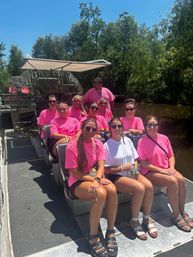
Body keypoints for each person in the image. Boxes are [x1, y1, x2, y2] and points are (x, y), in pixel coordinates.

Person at [65, 118, 118, 257]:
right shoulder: (73, 146)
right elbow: (74, 172)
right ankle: (93, 236)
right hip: (76, 181)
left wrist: (98, 178)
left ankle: (110, 231)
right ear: (82, 128)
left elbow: (101, 166)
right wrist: (95, 180)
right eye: (87, 128)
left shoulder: (98, 144)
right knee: (99, 193)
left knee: (112, 190)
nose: (90, 131)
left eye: (93, 129)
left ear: (97, 131)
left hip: (95, 177)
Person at [104, 118, 158, 240]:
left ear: (122, 128)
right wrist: (123, 167)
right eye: (114, 126)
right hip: (117, 176)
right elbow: (106, 169)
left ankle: (146, 218)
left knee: (148, 186)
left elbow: (135, 158)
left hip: (132, 172)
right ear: (110, 128)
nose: (117, 129)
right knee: (139, 188)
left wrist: (133, 170)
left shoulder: (127, 140)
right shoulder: (107, 145)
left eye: (119, 126)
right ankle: (134, 221)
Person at [137, 115, 193, 232]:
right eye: (149, 125)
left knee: (181, 179)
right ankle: (176, 216)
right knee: (172, 181)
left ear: (158, 126)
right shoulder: (142, 142)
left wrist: (172, 167)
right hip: (150, 171)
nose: (152, 127)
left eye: (154, 125)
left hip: (166, 168)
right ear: (146, 126)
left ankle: (182, 212)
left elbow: (171, 156)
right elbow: (144, 164)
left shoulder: (164, 138)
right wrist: (162, 170)